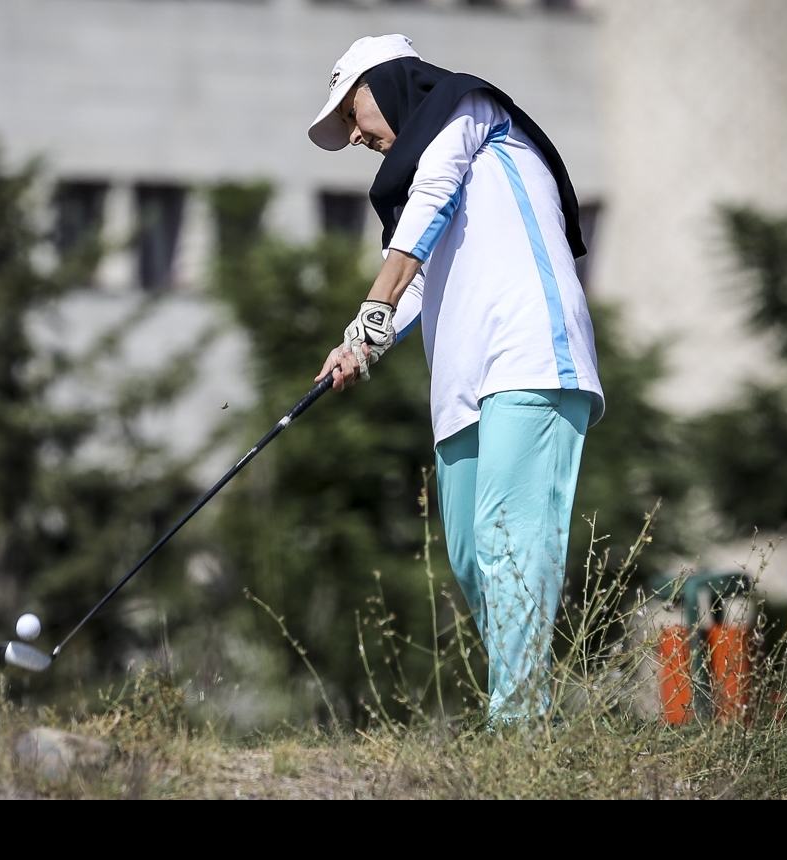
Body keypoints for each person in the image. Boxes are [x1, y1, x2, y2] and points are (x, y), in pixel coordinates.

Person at [308, 34, 604, 722]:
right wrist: (360, 347)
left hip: (530, 353)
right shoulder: (428, 167)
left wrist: (370, 308)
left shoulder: (468, 110)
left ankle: (520, 732)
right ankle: (530, 719)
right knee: (476, 560)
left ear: (389, 83)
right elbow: (413, 281)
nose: (353, 135)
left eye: (352, 113)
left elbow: (430, 204)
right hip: (463, 385)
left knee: (511, 544)